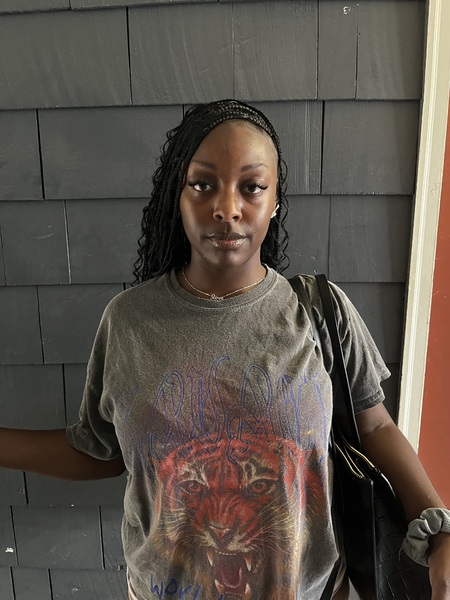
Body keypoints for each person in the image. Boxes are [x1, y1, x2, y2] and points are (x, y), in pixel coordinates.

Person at [1, 99, 449, 600]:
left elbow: (376, 427)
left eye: (252, 186)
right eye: (203, 184)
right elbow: (101, 450)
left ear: (275, 200)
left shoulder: (320, 312)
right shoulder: (128, 321)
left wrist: (438, 526)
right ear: (178, 195)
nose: (227, 208)